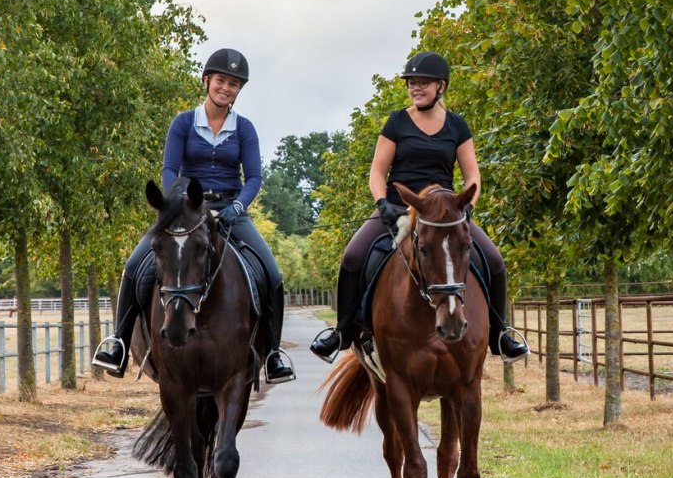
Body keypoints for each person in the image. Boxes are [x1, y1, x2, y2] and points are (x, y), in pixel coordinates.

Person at [93, 48, 296, 384]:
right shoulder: (183, 123)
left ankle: (273, 353)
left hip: (230, 210)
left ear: (238, 90)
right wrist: (180, 204)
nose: (226, 88)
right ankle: (119, 343)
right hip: (185, 211)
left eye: (234, 84)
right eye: (221, 80)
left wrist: (238, 206)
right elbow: (170, 169)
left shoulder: (244, 129)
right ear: (206, 81)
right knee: (134, 266)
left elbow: (255, 177)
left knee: (272, 273)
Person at [309, 51, 529, 362]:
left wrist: (467, 206)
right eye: (412, 83)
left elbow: (472, 174)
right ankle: (342, 331)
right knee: (353, 256)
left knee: (493, 260)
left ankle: (500, 335)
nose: (415, 88)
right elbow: (377, 171)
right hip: (398, 207)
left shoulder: (457, 126)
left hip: (444, 215)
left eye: (422, 83)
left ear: (441, 86)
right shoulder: (397, 122)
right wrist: (381, 202)